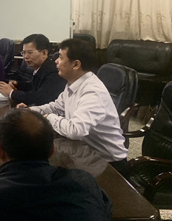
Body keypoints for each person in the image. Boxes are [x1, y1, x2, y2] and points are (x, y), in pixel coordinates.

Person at [26, 38, 128, 170]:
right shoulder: (73, 83)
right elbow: (56, 107)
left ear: (76, 64)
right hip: (83, 154)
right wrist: (30, 111)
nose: (56, 61)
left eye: (61, 57)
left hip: (108, 164)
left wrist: (48, 118)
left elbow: (75, 130)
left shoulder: (92, 91)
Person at [0, 33, 66, 105]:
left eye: (30, 52)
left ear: (44, 53)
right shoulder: (41, 68)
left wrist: (12, 93)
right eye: (23, 52)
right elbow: (33, 86)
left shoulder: (53, 73)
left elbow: (39, 98)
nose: (25, 56)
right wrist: (18, 85)